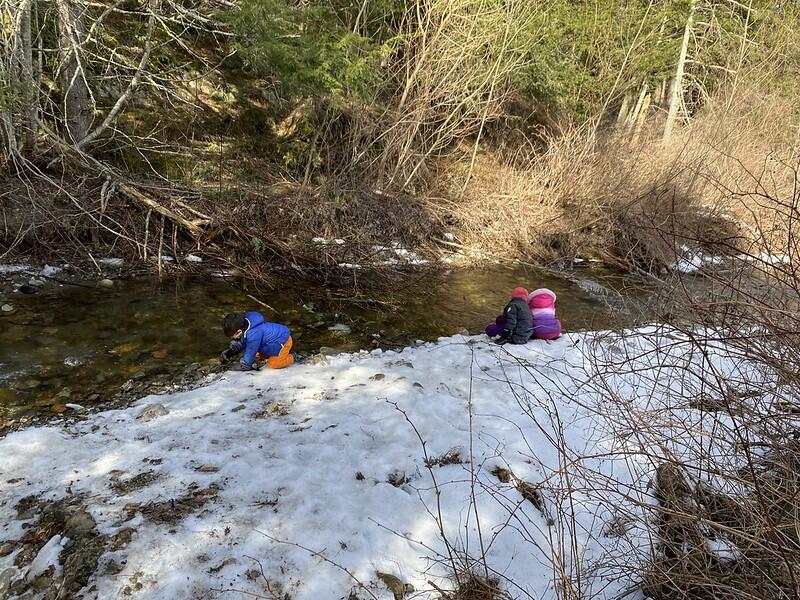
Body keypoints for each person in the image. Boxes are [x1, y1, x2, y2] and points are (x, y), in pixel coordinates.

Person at [219, 312, 294, 370]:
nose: (233, 339)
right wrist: (232, 351)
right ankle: (272, 355)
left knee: (273, 364)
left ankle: (292, 357)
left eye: (233, 338)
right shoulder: (245, 325)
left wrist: (245, 365)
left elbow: (251, 349)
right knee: (256, 356)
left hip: (283, 341)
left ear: (238, 332)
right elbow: (244, 341)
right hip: (270, 342)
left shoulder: (253, 333)